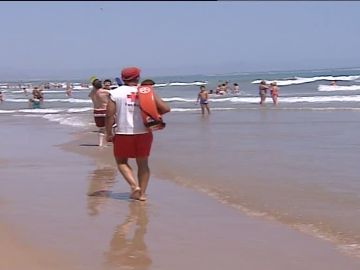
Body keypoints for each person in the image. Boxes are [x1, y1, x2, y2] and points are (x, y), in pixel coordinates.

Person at [105, 67, 170, 201]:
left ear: (123, 78)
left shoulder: (115, 93)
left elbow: (109, 115)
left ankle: (134, 186)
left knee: (121, 162)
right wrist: (154, 114)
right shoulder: (146, 91)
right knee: (143, 163)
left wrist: (108, 132)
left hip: (123, 132)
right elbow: (165, 109)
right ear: (138, 77)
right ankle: (142, 194)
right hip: (144, 132)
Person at [88, 78, 110, 147]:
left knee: (101, 129)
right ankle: (107, 142)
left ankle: (100, 143)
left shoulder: (92, 93)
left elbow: (90, 94)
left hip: (96, 112)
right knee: (110, 127)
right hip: (105, 110)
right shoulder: (105, 92)